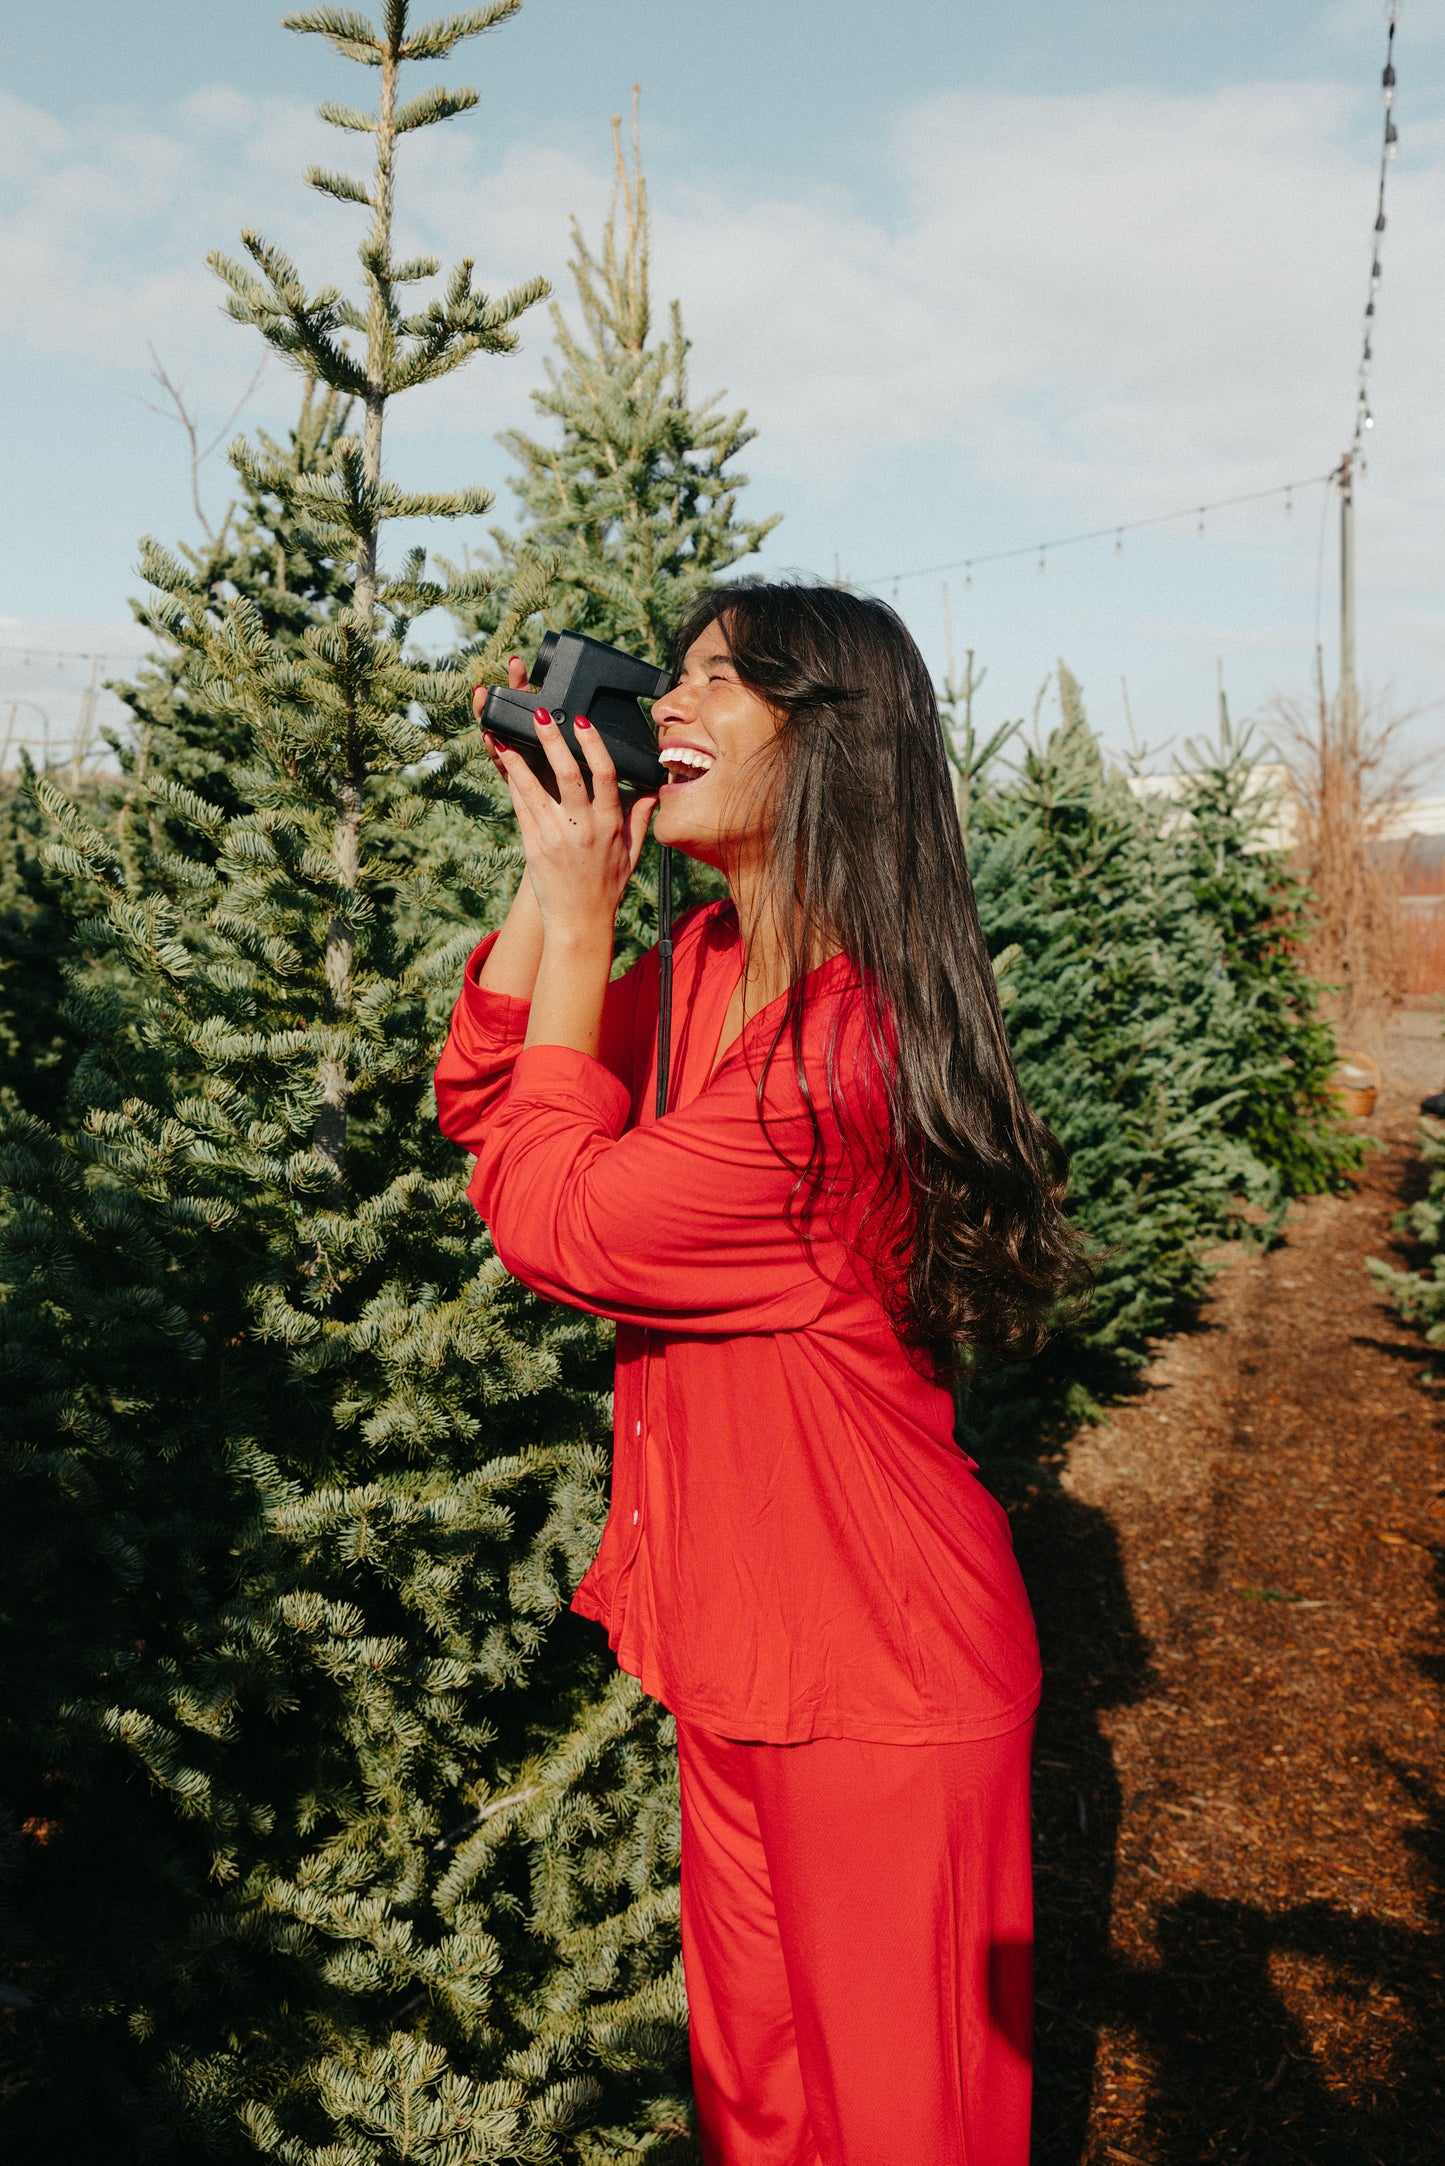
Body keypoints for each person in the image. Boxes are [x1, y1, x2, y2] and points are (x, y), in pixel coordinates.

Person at [435, 583, 1085, 2166]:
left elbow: (559, 1216)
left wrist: (584, 920)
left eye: (723, 680)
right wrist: (547, 879)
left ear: (832, 748)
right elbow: (486, 1089)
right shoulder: (713, 961)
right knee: (765, 2119)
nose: (669, 701)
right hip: (739, 1649)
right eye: (672, 672)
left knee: (901, 2133)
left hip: (874, 1678)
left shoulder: (838, 1058)